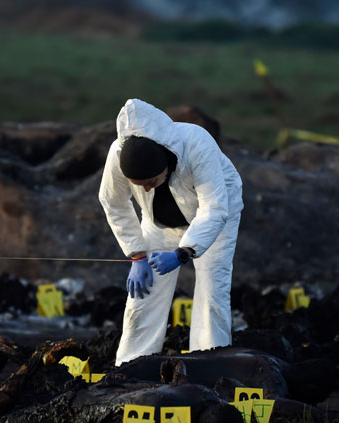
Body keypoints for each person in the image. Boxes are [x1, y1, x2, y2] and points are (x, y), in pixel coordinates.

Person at [99, 99, 244, 366]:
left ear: (166, 162)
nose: (144, 190)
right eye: (138, 185)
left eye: (151, 182)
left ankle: (208, 363)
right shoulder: (117, 155)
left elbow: (214, 208)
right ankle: (134, 363)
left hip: (216, 213)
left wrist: (184, 252)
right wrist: (137, 254)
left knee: (212, 289)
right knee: (144, 292)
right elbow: (113, 203)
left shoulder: (196, 143)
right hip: (159, 223)